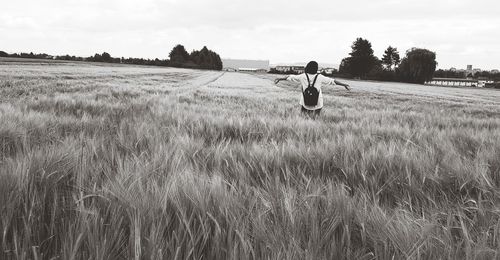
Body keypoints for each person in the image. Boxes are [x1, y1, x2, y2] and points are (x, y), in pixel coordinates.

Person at [274, 61, 351, 118]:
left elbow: (289, 77)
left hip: (305, 101)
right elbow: (332, 81)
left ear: (307, 67)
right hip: (317, 102)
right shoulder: (320, 77)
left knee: (303, 117)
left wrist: (279, 79)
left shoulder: (302, 76)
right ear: (316, 68)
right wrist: (344, 85)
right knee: (316, 118)